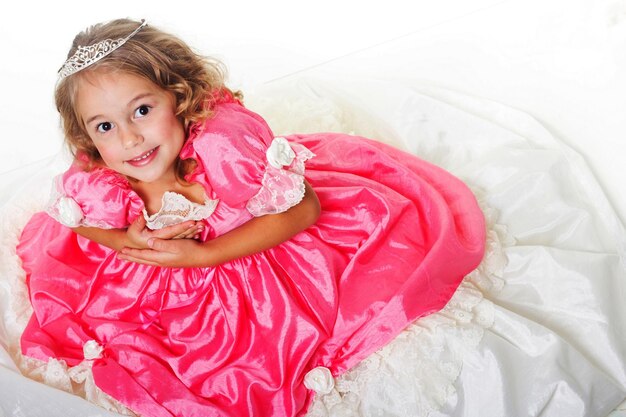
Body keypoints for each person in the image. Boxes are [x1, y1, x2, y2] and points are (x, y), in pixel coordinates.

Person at [17, 18, 486, 417]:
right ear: (87, 135)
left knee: (261, 363)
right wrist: (121, 240)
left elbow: (305, 208)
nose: (130, 139)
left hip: (259, 262)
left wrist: (205, 256)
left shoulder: (226, 152)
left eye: (142, 110)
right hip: (168, 292)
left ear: (179, 96)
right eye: (105, 126)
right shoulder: (101, 173)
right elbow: (74, 217)